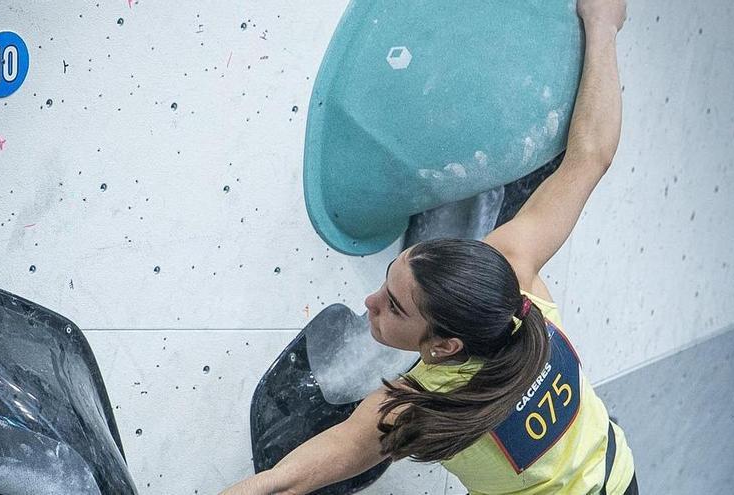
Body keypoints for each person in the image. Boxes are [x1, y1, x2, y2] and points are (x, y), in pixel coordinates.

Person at [221, 0, 635, 493]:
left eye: (392, 307)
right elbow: (590, 156)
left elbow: (308, 469)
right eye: (388, 282)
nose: (369, 303)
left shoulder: (426, 404)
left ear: (444, 347)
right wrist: (603, 24)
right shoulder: (514, 269)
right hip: (618, 476)